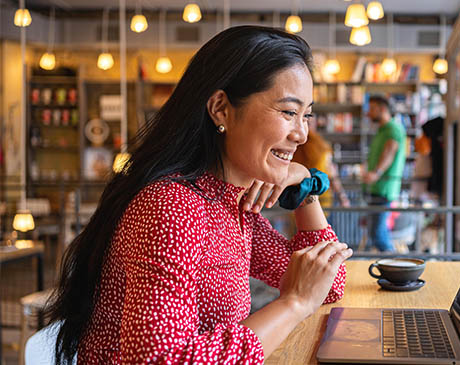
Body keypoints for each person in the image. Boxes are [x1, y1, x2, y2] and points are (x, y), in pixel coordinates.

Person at [44, 26, 353, 364]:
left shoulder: (230, 203)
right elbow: (159, 361)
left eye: (306, 115)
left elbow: (328, 283)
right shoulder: (172, 207)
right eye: (289, 112)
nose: (302, 135)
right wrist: (292, 304)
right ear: (221, 108)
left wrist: (305, 185)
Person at [362, 95, 407, 252]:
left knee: (378, 234)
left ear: (382, 109)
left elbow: (390, 149)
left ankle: (396, 267)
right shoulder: (382, 130)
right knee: (376, 232)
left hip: (384, 188)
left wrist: (376, 173)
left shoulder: (392, 128)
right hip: (378, 188)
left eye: (372, 109)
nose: (368, 113)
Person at [293, 128, 351, 208]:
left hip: (297, 202)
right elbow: (333, 177)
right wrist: (342, 197)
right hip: (322, 201)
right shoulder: (323, 154)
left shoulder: (294, 155)